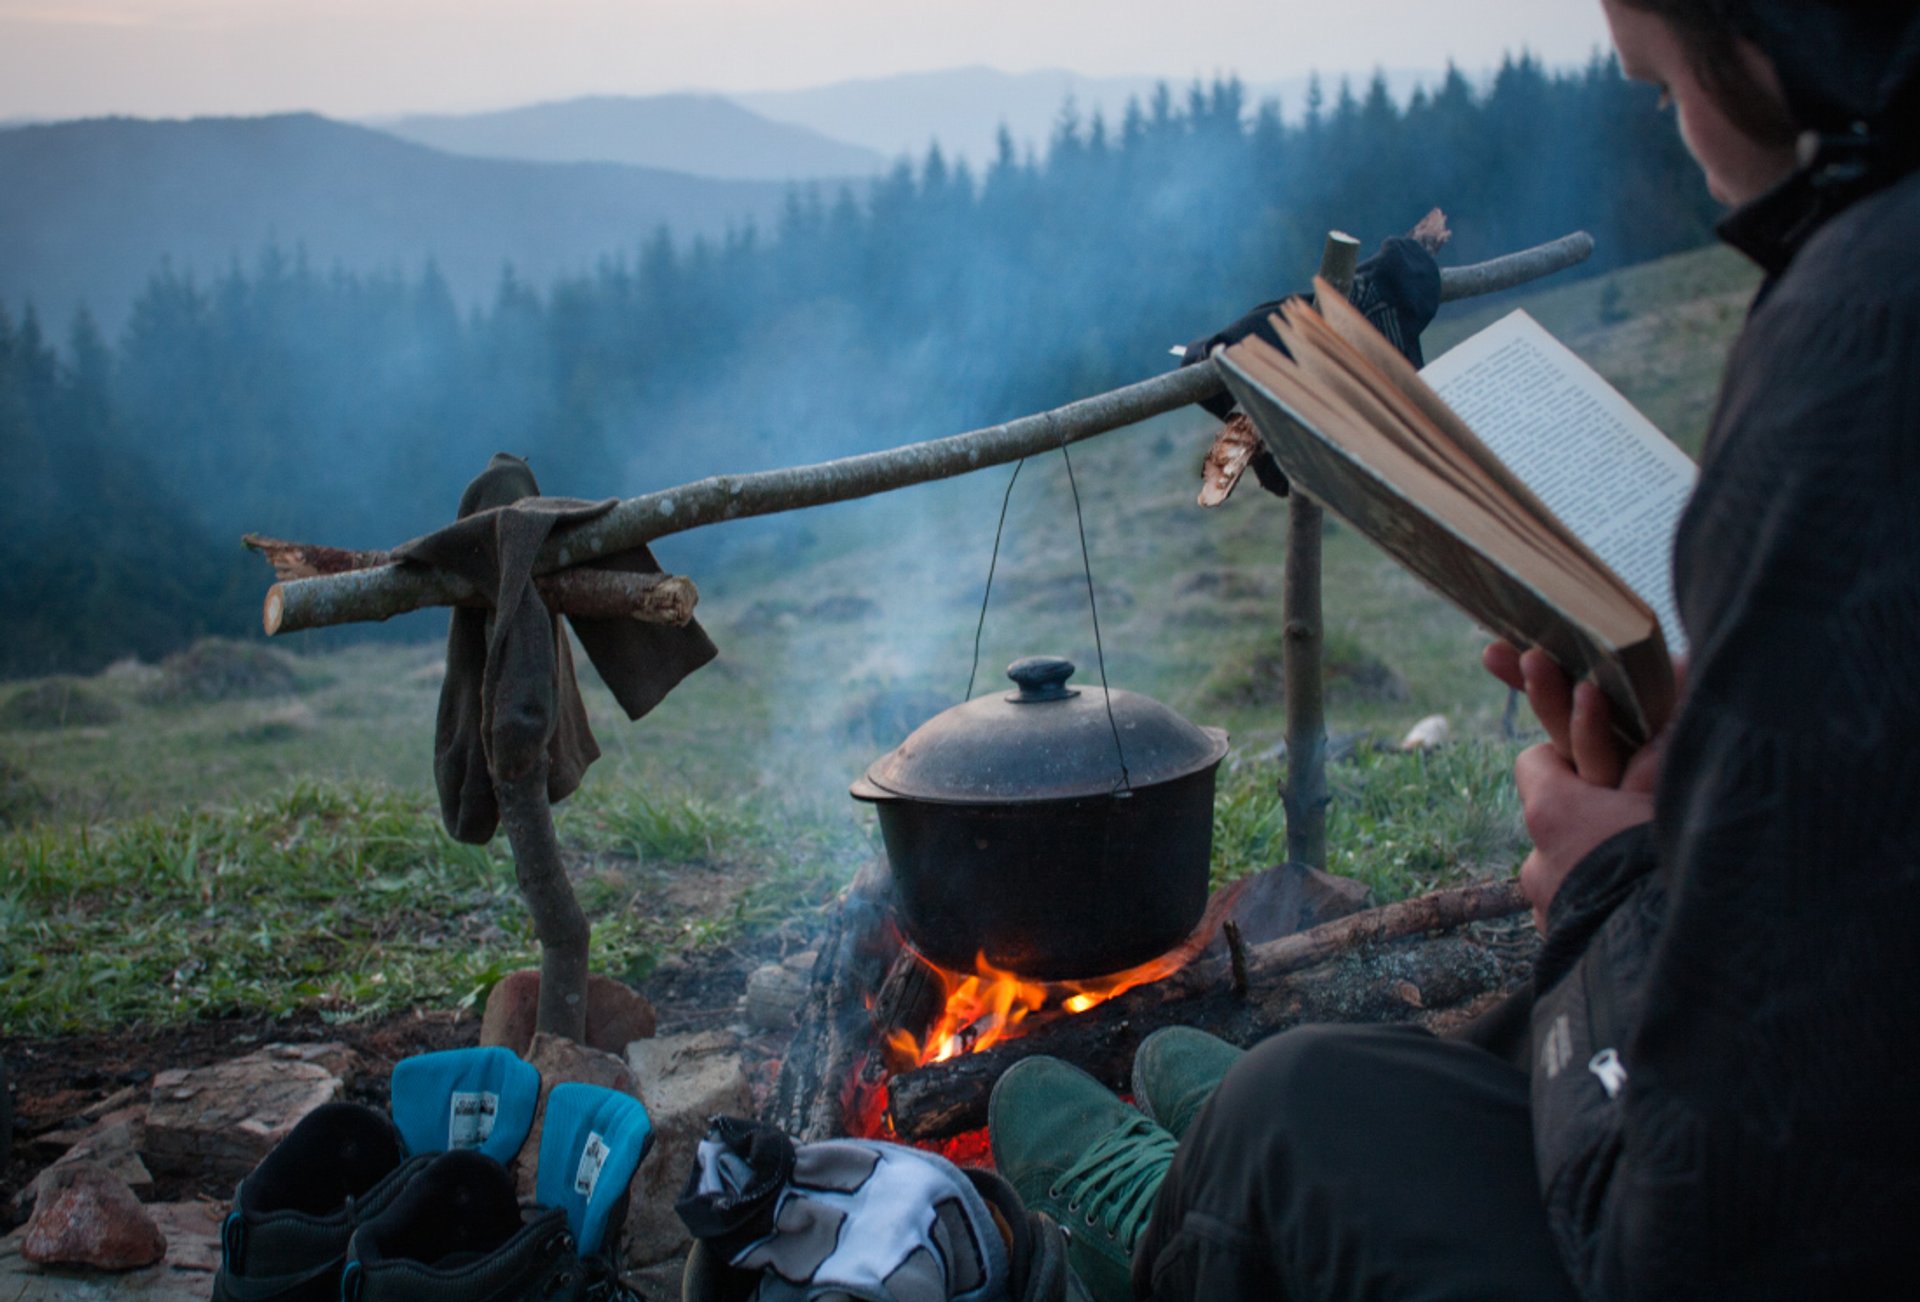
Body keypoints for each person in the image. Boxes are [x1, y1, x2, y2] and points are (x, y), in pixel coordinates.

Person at [987, 1, 1920, 1297]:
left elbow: (1721, 1221)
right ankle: (1227, 1178)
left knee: (1294, 1108)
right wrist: (1706, 780)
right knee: (1396, 1070)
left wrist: (1613, 882)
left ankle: (1159, 1236)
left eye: (1662, 90)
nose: (1669, 119)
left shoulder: (1860, 348)